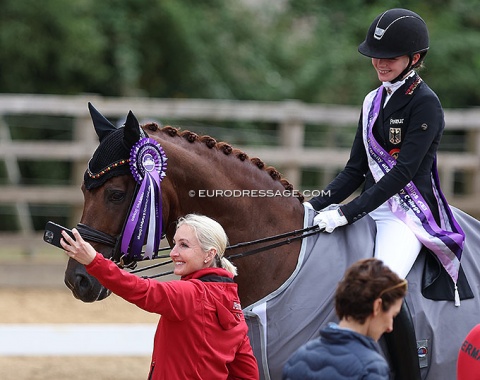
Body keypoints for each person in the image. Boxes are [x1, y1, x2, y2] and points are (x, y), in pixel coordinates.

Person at [305, 9, 466, 379]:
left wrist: (347, 213)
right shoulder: (371, 101)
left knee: (384, 287)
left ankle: (407, 373)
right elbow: (354, 171)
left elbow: (403, 173)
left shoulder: (426, 103)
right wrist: (313, 205)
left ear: (415, 59)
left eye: (390, 57)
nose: (380, 63)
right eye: (376, 55)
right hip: (374, 205)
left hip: (409, 214)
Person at [60, 213, 259, 380]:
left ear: (209, 254)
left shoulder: (190, 294)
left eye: (184, 245)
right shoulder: (234, 306)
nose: (173, 253)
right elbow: (248, 374)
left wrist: (94, 261)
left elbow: (140, 289)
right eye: (174, 244)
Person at [283, 258, 407, 380]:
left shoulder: (297, 358)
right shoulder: (371, 367)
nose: (390, 327)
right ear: (377, 306)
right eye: (392, 316)